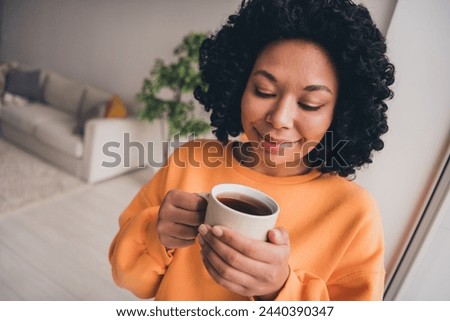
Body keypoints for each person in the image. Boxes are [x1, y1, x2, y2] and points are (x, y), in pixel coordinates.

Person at [109, 0, 395, 300]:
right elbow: (127, 276)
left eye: (310, 104)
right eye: (264, 91)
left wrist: (280, 290)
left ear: (340, 112)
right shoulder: (190, 161)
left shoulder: (355, 215)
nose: (279, 119)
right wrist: (155, 234)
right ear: (239, 85)